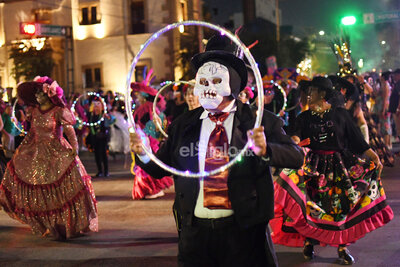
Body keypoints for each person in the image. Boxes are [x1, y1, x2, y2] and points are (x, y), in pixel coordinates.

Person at [131, 34, 304, 267]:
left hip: (243, 234)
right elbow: (160, 167)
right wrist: (142, 152)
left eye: (215, 81)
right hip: (196, 236)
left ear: (233, 83)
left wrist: (266, 150)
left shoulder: (259, 121)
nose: (207, 89)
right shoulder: (184, 124)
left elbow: (296, 156)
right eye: (202, 82)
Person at [270, 77, 393, 265]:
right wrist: (292, 141)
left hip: (340, 167)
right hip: (313, 168)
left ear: (323, 94)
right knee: (313, 206)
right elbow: (295, 136)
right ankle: (310, 241)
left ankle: (342, 247)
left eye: (313, 91)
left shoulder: (340, 115)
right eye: (308, 91)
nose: (308, 95)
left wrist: (373, 156)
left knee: (341, 207)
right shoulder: (303, 117)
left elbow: (356, 139)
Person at [0, 76, 98, 239]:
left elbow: (70, 131)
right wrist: (22, 149)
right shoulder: (34, 111)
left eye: (41, 92)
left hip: (58, 152)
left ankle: (65, 224)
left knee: (61, 190)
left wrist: (74, 147)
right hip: (38, 153)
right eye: (36, 93)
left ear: (50, 94)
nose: (38, 95)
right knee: (40, 189)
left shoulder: (59, 111)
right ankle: (48, 224)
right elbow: (32, 133)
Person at [130, 81, 173, 200]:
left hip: (148, 141)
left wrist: (142, 134)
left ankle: (152, 189)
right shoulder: (151, 107)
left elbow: (149, 125)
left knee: (149, 164)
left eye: (138, 94)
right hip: (149, 140)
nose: (136, 97)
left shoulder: (146, 108)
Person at [86, 99, 115, 177]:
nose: (96, 108)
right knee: (97, 154)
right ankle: (100, 171)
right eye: (95, 106)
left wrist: (108, 118)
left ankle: (106, 171)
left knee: (104, 154)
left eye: (98, 106)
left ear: (101, 107)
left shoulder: (104, 115)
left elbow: (112, 120)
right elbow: (85, 122)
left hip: (103, 137)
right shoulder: (90, 115)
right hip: (94, 137)